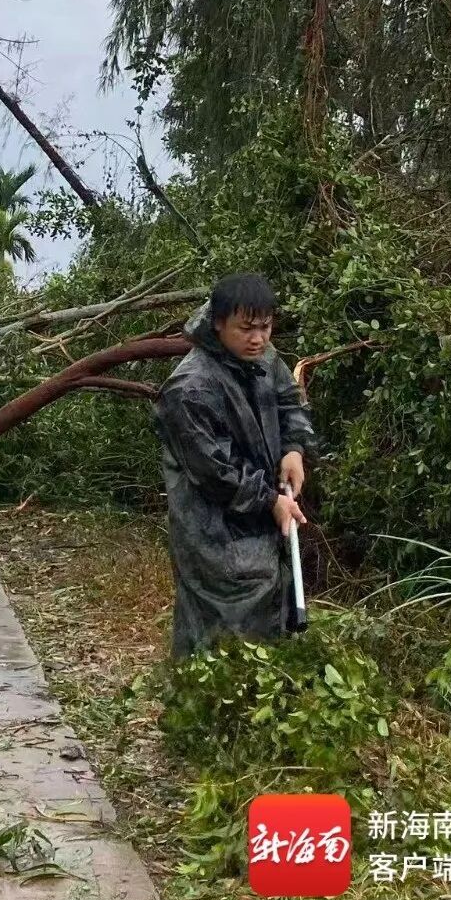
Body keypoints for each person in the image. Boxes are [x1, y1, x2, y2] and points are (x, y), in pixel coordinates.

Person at [154, 273, 317, 659]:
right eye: (246, 329)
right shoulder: (189, 388)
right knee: (219, 629)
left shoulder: (263, 356)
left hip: (258, 514)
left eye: (265, 327)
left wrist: (294, 448)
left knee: (269, 617)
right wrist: (271, 501)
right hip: (211, 529)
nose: (258, 338)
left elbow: (289, 400)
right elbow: (215, 471)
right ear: (218, 323)